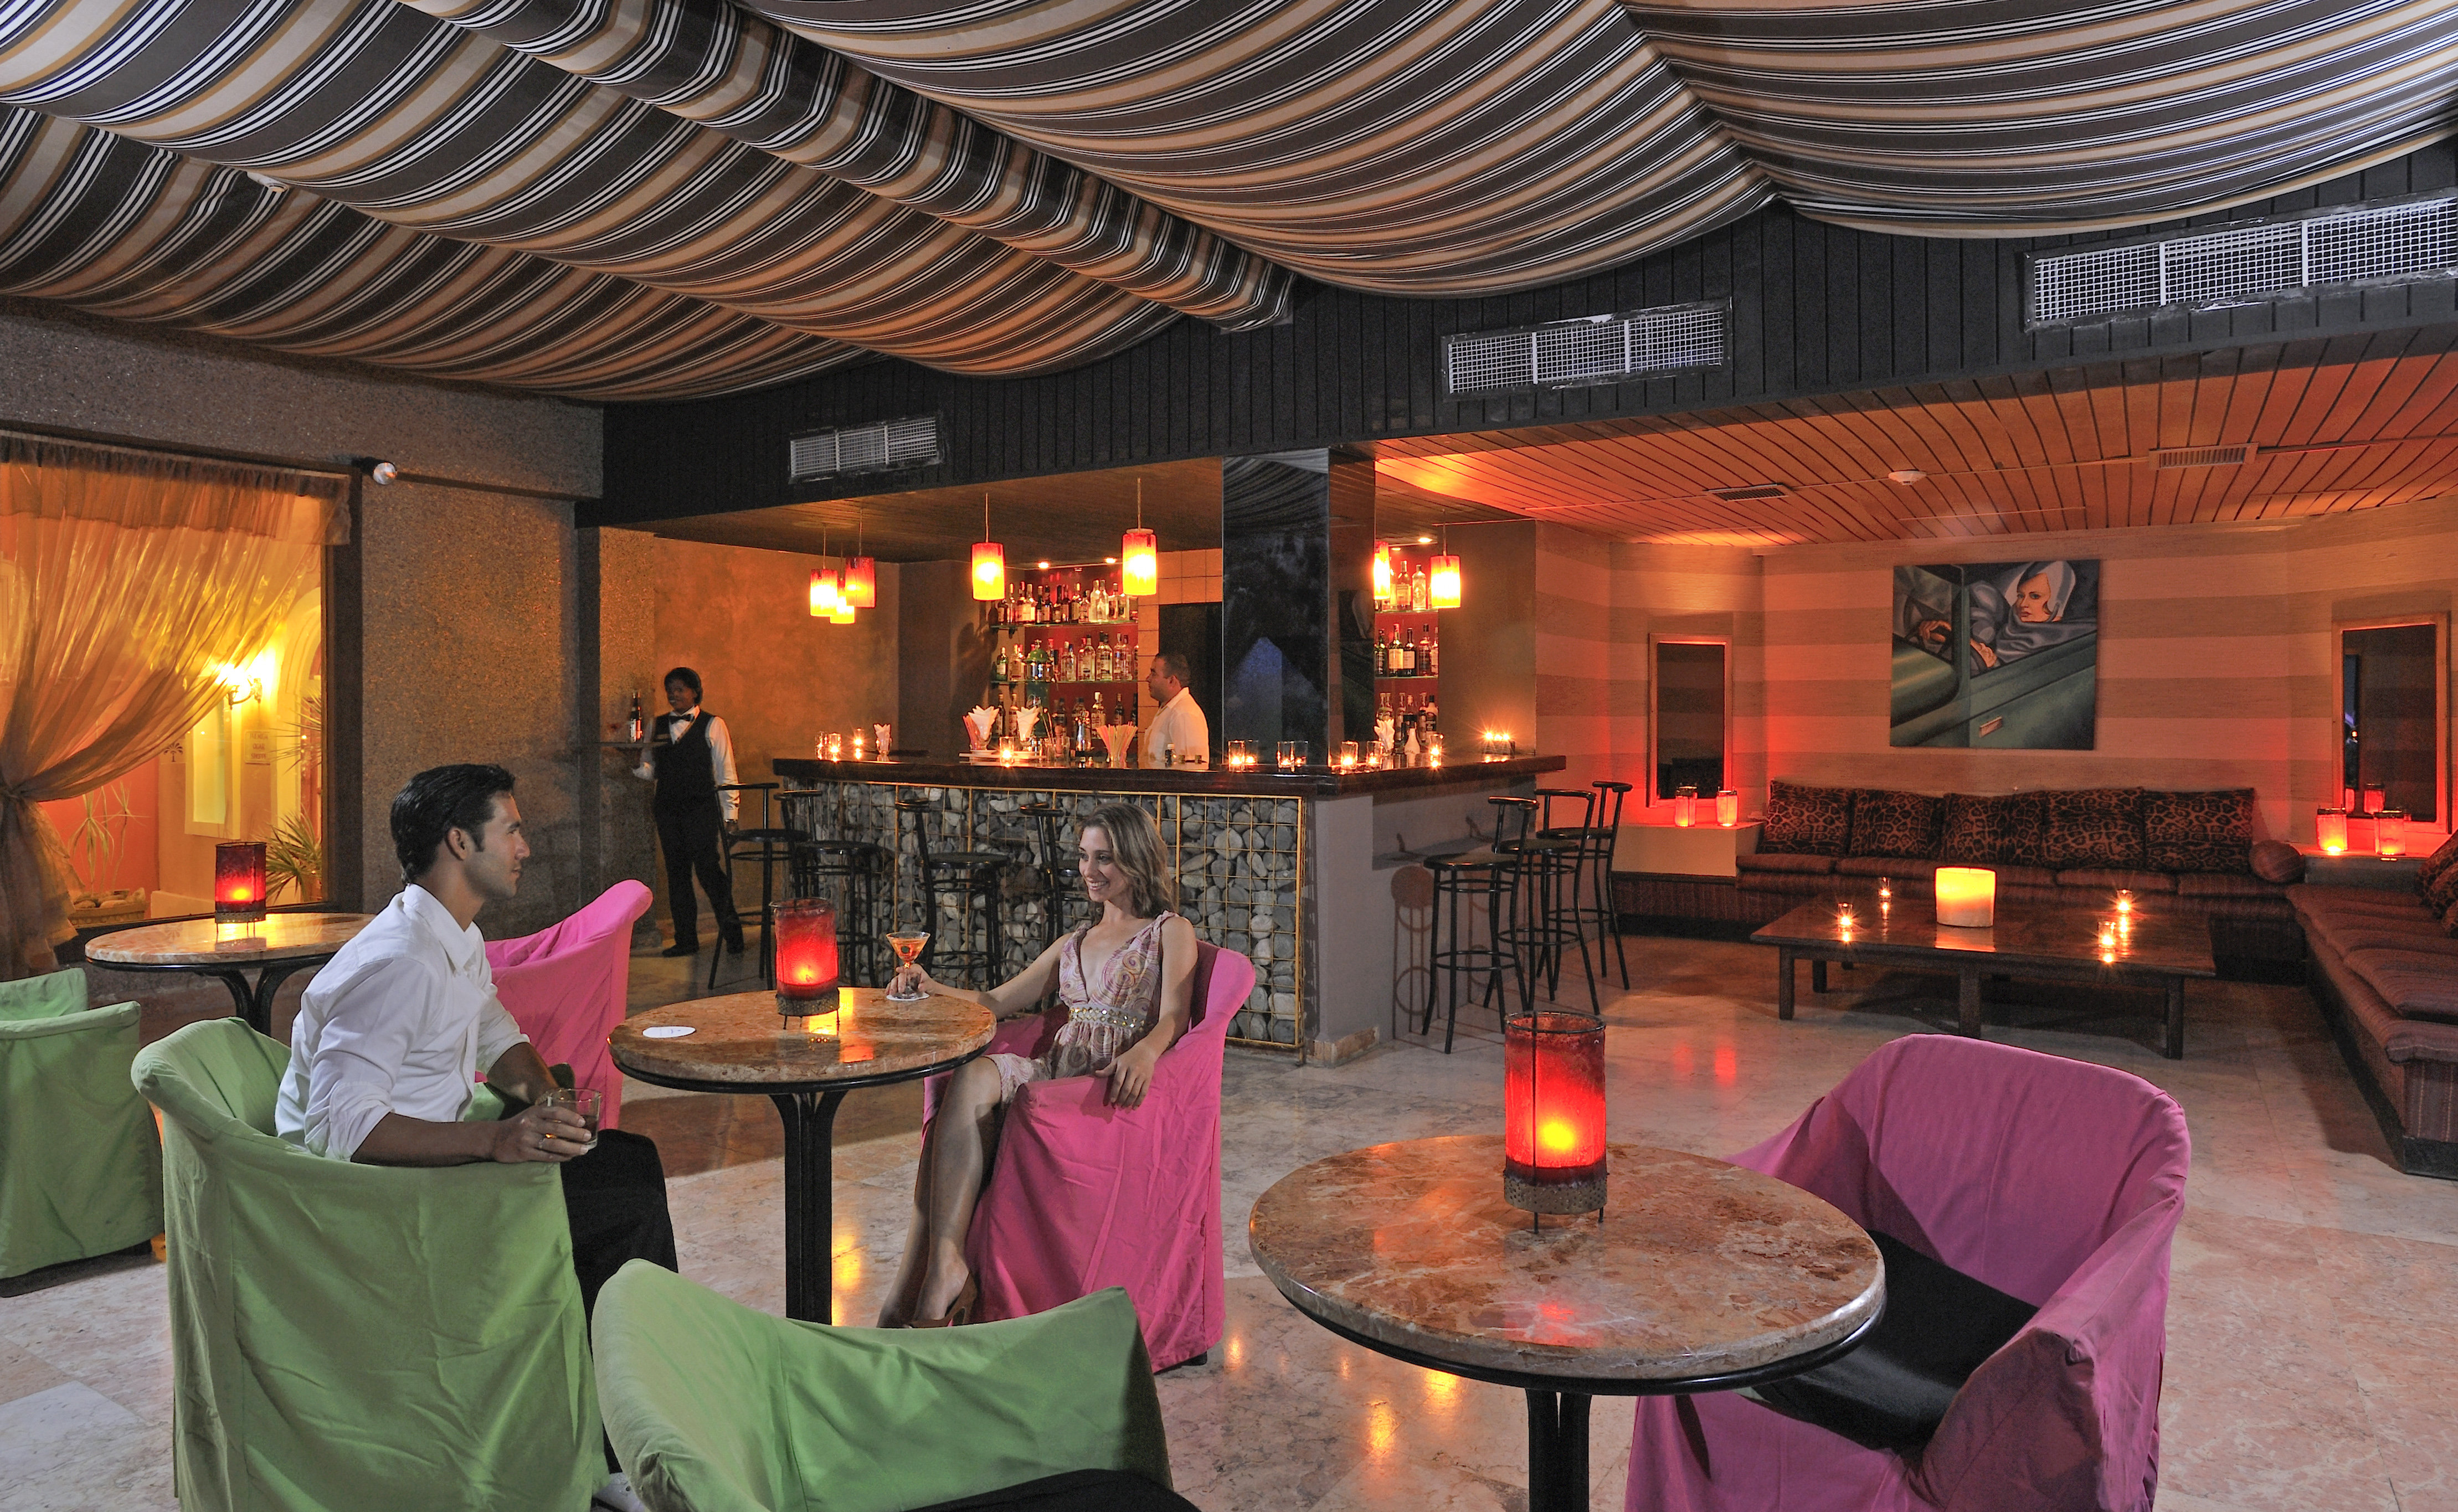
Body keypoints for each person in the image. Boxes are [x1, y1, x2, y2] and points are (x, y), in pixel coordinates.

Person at [276, 764, 677, 1512]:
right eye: (513, 828)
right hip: (377, 1203)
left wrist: (550, 1101)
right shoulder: (400, 961)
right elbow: (340, 1126)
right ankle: (619, 1450)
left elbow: (500, 1037)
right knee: (620, 1202)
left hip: (436, 1160)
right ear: (460, 841)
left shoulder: (449, 934)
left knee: (625, 1159)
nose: (526, 844)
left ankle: (629, 1418)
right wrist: (498, 1143)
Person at [876, 802, 1198, 1328]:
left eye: (1105, 859)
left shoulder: (1168, 930)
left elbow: (1176, 1016)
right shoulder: (1073, 942)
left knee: (1001, 1104)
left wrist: (1144, 1052)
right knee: (974, 1074)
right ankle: (946, 1265)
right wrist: (929, 987)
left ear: (1137, 861)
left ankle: (922, 1293)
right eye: (1083, 857)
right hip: (1054, 1073)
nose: (1089, 871)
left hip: (1102, 1086)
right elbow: (993, 1001)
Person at [632, 666, 744, 958]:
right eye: (670, 689)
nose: (674, 695)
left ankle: (732, 933)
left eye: (680, 689)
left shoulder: (713, 724)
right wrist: (633, 763)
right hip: (668, 808)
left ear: (695, 691)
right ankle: (686, 939)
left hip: (702, 808)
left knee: (709, 871)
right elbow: (649, 772)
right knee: (676, 873)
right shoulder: (656, 725)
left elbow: (725, 770)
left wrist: (730, 815)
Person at [1140, 651, 1211, 768]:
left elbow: (1191, 771)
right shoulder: (1169, 710)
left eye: (1154, 674)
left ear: (1172, 680)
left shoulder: (1184, 714)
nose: (1148, 678)